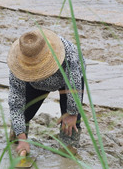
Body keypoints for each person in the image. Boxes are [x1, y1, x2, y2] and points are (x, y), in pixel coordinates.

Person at [7, 28, 85, 157]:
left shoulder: (68, 53)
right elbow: (16, 103)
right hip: (35, 84)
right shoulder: (18, 65)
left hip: (67, 82)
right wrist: (21, 138)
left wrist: (72, 113)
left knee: (71, 119)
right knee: (25, 111)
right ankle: (18, 134)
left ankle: (68, 145)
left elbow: (74, 85)